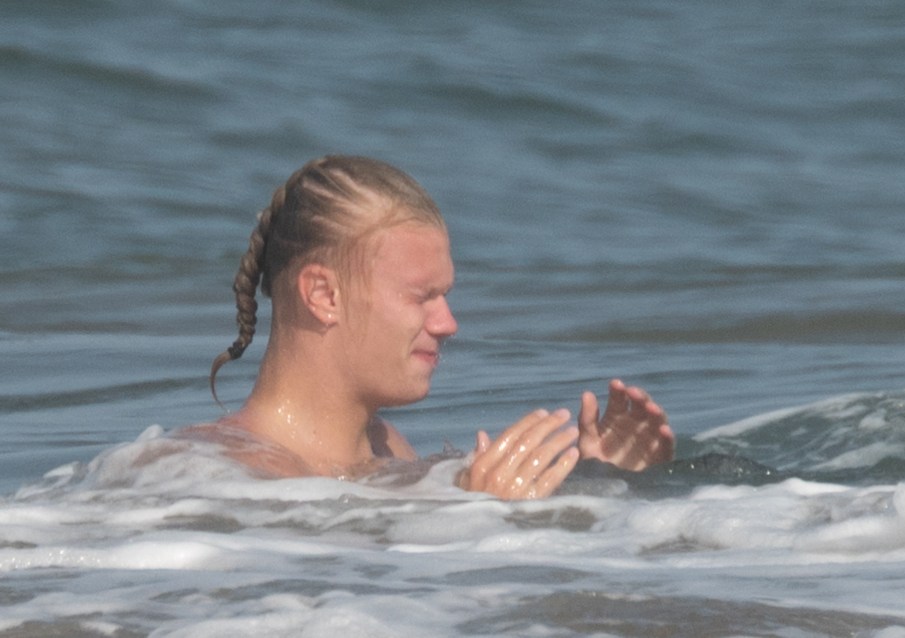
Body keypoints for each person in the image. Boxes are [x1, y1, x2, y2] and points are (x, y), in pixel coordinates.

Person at [191, 155, 674, 499]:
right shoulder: (216, 472)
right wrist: (476, 519)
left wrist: (600, 482)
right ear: (324, 295)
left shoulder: (392, 451)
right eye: (422, 296)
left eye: (446, 296)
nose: (449, 323)